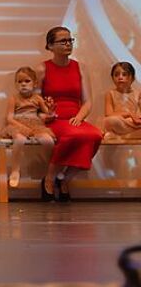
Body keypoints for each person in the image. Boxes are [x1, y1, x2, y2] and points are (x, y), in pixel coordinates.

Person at [37, 26, 103, 202]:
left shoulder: (80, 68)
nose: (68, 44)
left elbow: (87, 101)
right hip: (54, 119)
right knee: (73, 136)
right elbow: (34, 100)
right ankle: (50, 178)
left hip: (75, 118)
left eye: (70, 40)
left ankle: (64, 178)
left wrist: (80, 117)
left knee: (95, 134)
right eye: (63, 41)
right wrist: (46, 111)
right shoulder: (42, 69)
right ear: (50, 46)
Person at [0, 66, 55, 188]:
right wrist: (21, 127)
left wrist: (50, 108)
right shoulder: (14, 98)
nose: (23, 84)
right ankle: (15, 170)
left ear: (34, 83)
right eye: (19, 82)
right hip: (17, 124)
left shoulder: (38, 99)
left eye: (27, 81)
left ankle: (51, 169)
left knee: (48, 140)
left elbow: (47, 113)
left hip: (35, 124)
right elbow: (9, 118)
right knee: (19, 139)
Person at [102, 61, 141, 140]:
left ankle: (118, 134)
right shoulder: (110, 93)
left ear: (132, 78)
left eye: (124, 74)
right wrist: (128, 114)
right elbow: (109, 114)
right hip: (120, 122)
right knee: (108, 121)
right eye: (116, 75)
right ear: (112, 78)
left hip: (134, 123)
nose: (120, 77)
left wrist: (135, 118)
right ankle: (120, 134)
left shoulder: (138, 93)